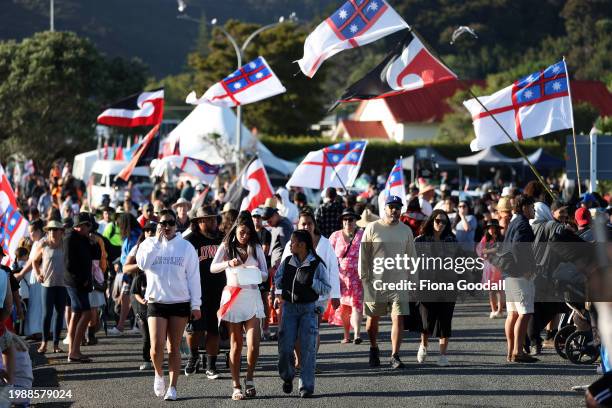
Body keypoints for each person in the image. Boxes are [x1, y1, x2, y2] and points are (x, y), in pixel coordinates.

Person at [136, 209, 201, 401]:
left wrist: (196, 304)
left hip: (179, 302)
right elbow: (142, 265)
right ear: (158, 225)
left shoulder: (186, 247)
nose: (167, 227)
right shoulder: (148, 243)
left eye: (171, 223)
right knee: (156, 347)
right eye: (163, 223)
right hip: (156, 301)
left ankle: (173, 387)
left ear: (176, 225)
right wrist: (156, 242)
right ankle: (158, 375)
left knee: (174, 347)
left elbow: (193, 277)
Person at [210, 211, 268, 400]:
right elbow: (213, 267)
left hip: (251, 295)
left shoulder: (256, 247)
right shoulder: (226, 246)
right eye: (242, 232)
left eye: (248, 233)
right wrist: (228, 263)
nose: (245, 236)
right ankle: (236, 386)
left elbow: (266, 274)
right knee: (236, 345)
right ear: (235, 230)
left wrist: (255, 272)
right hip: (233, 296)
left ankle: (249, 378)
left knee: (254, 345)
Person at [359, 195, 416, 369]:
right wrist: (364, 277)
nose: (394, 210)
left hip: (398, 282)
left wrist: (413, 280)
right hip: (375, 282)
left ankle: (395, 355)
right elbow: (364, 255)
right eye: (391, 207)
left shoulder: (406, 230)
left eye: (398, 207)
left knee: (398, 318)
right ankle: (373, 348)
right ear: (384, 208)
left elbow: (411, 257)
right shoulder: (372, 227)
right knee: (371, 322)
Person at [274, 230, 331, 398]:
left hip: (308, 309)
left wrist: (311, 282)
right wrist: (281, 285)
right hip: (289, 309)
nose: (291, 245)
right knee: (285, 348)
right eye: (291, 242)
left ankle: (306, 387)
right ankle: (287, 376)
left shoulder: (316, 264)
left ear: (303, 245)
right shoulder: (287, 262)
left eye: (294, 242)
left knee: (307, 349)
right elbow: (277, 279)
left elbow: (327, 288)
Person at [183, 206, 224, 379]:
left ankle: (211, 365)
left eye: (214, 219)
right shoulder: (190, 241)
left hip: (219, 291)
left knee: (214, 330)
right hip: (196, 292)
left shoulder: (222, 239)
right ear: (199, 222)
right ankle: (193, 356)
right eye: (209, 219)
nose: (213, 222)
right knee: (194, 330)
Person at [414, 210, 458, 367]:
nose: (441, 224)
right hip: (426, 286)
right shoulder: (420, 241)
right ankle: (424, 345)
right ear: (432, 221)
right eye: (438, 221)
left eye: (444, 222)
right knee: (426, 321)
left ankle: (443, 355)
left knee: (445, 320)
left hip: (448, 286)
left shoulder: (452, 240)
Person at [502, 195, 538, 363]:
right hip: (519, 276)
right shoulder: (523, 224)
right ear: (524, 207)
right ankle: (518, 352)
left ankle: (511, 352)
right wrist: (526, 270)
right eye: (532, 207)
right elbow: (519, 248)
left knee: (513, 314)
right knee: (525, 313)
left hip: (508, 275)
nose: (534, 210)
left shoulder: (513, 223)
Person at [63, 213, 96, 363]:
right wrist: (81, 280)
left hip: (80, 282)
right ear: (81, 226)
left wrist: (92, 243)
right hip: (75, 283)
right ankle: (74, 351)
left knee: (77, 314)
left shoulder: (83, 238)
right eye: (88, 226)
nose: (90, 229)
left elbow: (93, 256)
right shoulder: (70, 238)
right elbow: (69, 264)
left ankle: (73, 351)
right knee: (87, 313)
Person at [328, 209, 364, 344]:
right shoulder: (335, 236)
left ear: (356, 221)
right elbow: (328, 256)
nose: (348, 222)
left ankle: (357, 334)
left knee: (356, 305)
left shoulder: (362, 235)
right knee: (344, 307)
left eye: (351, 219)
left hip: (357, 276)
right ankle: (346, 335)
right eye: (345, 219)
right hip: (340, 278)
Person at [31, 220, 67, 354]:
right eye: (50, 230)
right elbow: (34, 260)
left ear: (61, 231)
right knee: (47, 314)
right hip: (47, 283)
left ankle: (56, 344)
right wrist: (38, 273)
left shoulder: (65, 243)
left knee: (59, 314)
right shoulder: (44, 243)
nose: (52, 232)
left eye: (55, 229)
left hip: (62, 284)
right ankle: (44, 343)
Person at [129, 221, 157, 371]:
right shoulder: (139, 276)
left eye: (153, 230)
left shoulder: (163, 246)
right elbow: (126, 267)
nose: (150, 233)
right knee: (146, 337)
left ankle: (155, 359)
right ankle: (147, 360)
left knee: (157, 337)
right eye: (147, 231)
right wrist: (140, 266)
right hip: (142, 309)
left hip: (156, 306)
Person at [108, 213, 141, 335]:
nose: (118, 225)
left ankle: (122, 326)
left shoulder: (132, 236)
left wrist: (126, 272)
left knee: (127, 299)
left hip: (130, 272)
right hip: (131, 271)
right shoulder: (136, 234)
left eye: (119, 223)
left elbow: (130, 256)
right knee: (130, 299)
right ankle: (134, 325)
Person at [14, 219, 45, 340]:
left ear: (39, 231)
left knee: (37, 305)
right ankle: (36, 330)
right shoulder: (37, 243)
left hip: (39, 277)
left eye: (32, 232)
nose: (30, 235)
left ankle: (38, 330)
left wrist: (21, 274)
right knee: (36, 305)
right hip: (35, 277)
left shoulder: (41, 242)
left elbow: (32, 261)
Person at [476, 219, 505, 319]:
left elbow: (502, 250)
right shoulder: (485, 239)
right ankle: (493, 310)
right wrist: (491, 250)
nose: (491, 230)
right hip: (489, 267)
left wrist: (487, 251)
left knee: (500, 289)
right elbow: (480, 251)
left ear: (497, 229)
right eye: (489, 228)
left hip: (500, 266)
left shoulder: (501, 239)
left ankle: (500, 310)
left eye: (493, 228)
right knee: (491, 290)